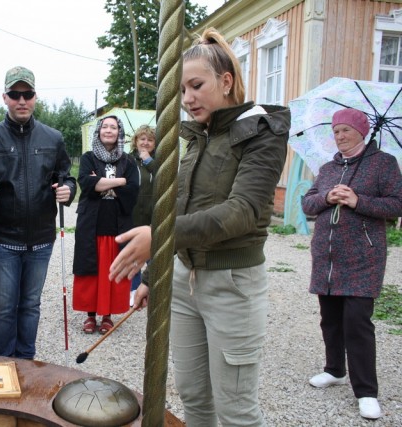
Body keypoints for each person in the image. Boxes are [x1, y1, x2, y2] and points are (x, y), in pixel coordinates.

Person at [109, 27, 290, 426]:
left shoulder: (262, 132)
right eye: (182, 89)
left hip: (232, 283)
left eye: (196, 85)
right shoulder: (194, 139)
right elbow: (182, 209)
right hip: (183, 278)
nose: (187, 98)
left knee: (236, 408)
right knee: (193, 397)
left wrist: (159, 237)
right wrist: (154, 277)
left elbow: (241, 211)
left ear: (225, 82)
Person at [301, 108, 402, 420]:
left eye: (345, 130)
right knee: (329, 319)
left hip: (363, 259)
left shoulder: (383, 164)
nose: (340, 137)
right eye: (336, 131)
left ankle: (367, 391)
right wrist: (327, 198)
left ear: (361, 131)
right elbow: (307, 202)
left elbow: (397, 204)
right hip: (327, 258)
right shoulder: (328, 167)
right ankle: (334, 369)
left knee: (358, 324)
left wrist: (359, 201)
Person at [0, 66, 76, 360]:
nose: (21, 100)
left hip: (41, 239)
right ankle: (2, 362)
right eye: (15, 94)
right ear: (5, 97)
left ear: (35, 97)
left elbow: (66, 176)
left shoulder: (53, 138)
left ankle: (24, 362)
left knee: (31, 304)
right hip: (3, 240)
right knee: (4, 306)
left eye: (27, 94)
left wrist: (68, 190)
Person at [72, 116, 139, 334]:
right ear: (98, 131)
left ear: (119, 132)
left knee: (112, 269)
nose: (108, 130)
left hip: (117, 224)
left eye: (113, 127)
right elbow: (88, 184)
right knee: (91, 270)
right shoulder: (88, 158)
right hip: (92, 222)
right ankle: (91, 316)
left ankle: (108, 315)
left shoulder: (128, 161)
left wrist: (102, 182)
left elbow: (132, 190)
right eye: (104, 126)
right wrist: (120, 181)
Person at [128, 124, 156, 306]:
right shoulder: (128, 160)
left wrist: (149, 161)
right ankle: (134, 292)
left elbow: (166, 176)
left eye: (150, 139)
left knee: (154, 255)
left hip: (153, 213)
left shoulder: (160, 160)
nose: (145, 143)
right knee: (135, 255)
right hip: (133, 213)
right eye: (142, 139)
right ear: (136, 141)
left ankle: (154, 291)